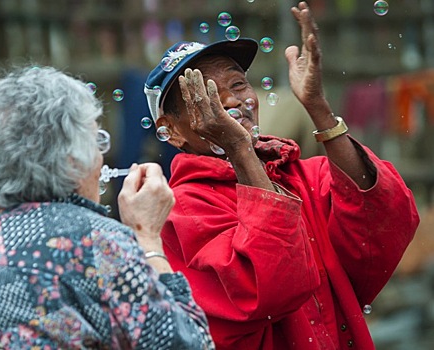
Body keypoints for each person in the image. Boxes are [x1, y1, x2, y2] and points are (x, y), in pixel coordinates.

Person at [143, 2, 419, 349]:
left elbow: (387, 222)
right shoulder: (183, 211)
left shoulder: (305, 174)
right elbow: (269, 287)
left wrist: (318, 106)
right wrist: (239, 149)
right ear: (173, 131)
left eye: (238, 83)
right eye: (206, 95)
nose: (231, 100)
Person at [0, 66, 215, 349]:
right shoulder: (97, 242)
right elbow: (188, 344)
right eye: (97, 141)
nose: (102, 159)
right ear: (71, 159)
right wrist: (148, 238)